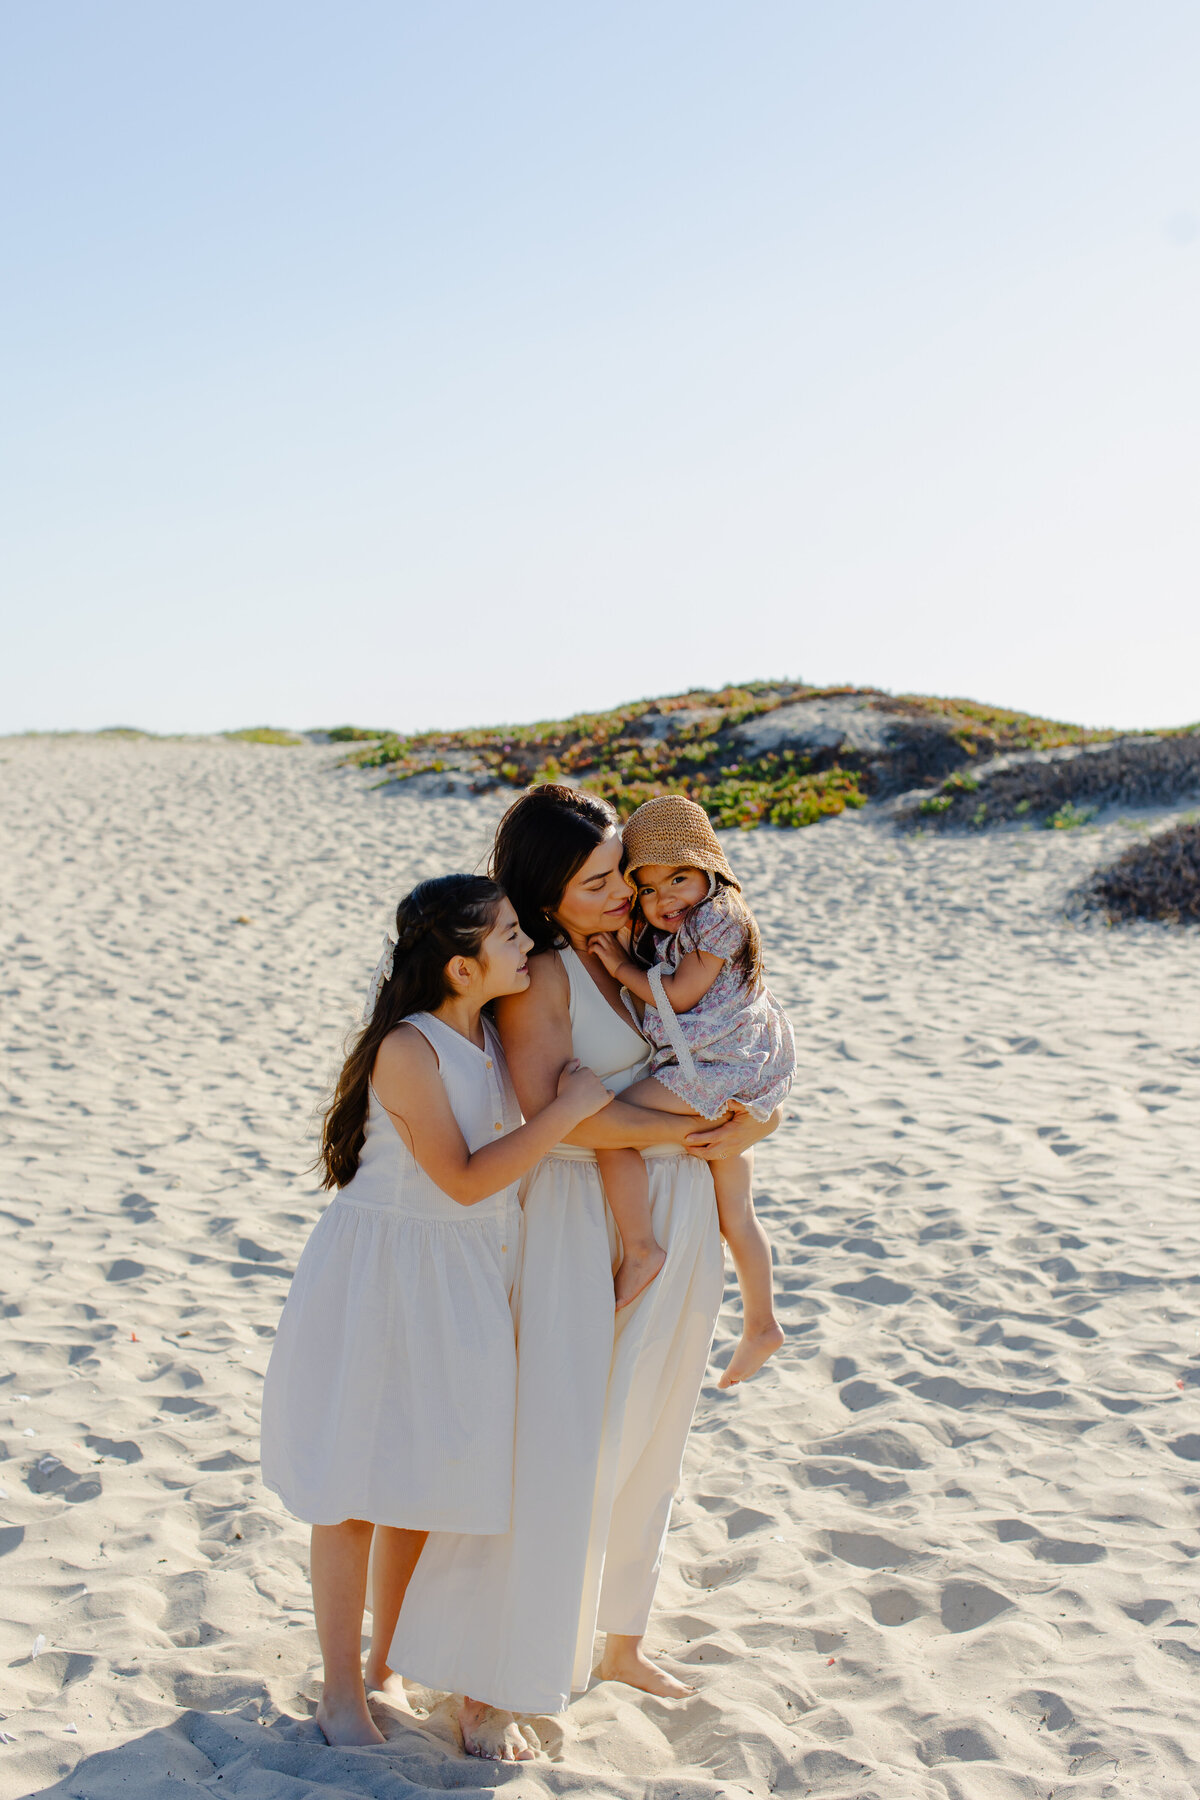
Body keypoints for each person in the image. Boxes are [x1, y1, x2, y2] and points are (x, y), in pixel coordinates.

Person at [390, 788, 780, 1758]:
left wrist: (751, 1124)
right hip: (578, 1221)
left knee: (651, 1431)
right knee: (558, 1443)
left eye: (621, 870)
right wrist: (696, 1130)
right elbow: (560, 1112)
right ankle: (485, 1682)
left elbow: (718, 1054)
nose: (622, 890)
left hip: (675, 1205)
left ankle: (617, 1639)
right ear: (546, 893)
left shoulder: (646, 955)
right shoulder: (544, 978)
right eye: (597, 879)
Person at [259, 873, 612, 1750]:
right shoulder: (408, 1050)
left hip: (459, 1279)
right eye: (507, 935)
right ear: (462, 967)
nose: (524, 943)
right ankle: (342, 1692)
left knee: (419, 1479)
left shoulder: (490, 1035)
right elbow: (459, 1182)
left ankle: (386, 1668)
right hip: (384, 1277)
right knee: (350, 1495)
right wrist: (567, 1113)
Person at [587, 792, 795, 1386]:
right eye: (647, 890)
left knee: (608, 1124)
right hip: (725, 1068)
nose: (664, 899)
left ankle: (641, 1248)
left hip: (715, 1070)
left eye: (678, 878)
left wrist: (619, 966)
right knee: (738, 1213)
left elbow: (677, 996)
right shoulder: (684, 924)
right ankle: (762, 1325)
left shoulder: (722, 917)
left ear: (710, 866)